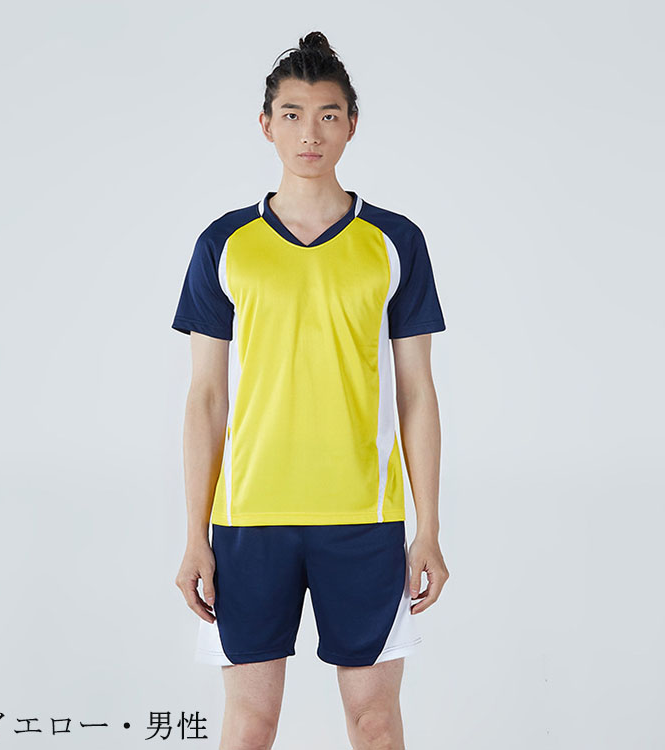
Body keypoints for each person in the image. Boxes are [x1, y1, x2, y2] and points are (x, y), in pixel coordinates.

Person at [172, 31, 449, 750]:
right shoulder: (224, 243)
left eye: (328, 115)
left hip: (364, 518)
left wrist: (428, 528)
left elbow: (417, 392)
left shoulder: (395, 241)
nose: (310, 133)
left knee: (375, 722)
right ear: (266, 124)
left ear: (352, 124)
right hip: (248, 520)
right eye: (292, 115)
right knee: (250, 724)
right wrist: (195, 535)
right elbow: (206, 398)